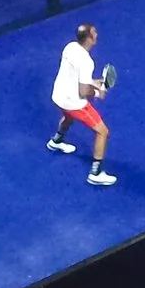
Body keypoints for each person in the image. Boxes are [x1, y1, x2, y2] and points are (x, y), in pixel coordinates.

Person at [46, 24, 116, 186]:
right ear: (89, 38)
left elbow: (76, 76)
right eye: (94, 33)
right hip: (73, 102)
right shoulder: (87, 62)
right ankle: (96, 173)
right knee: (103, 132)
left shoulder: (70, 47)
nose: (97, 35)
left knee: (68, 116)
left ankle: (56, 141)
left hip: (58, 95)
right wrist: (98, 92)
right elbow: (83, 91)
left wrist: (95, 82)